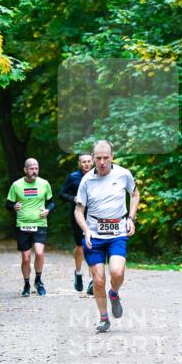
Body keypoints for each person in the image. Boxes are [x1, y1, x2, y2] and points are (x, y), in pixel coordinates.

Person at [74, 140, 139, 333]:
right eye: (98, 158)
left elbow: (135, 194)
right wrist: (86, 230)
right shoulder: (86, 180)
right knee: (99, 279)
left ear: (112, 157)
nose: (102, 162)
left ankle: (114, 293)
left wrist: (131, 218)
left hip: (118, 232)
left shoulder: (123, 174)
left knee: (117, 272)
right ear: (93, 158)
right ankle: (103, 318)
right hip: (94, 235)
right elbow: (78, 211)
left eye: (106, 158)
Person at [6, 158, 54, 297]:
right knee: (26, 258)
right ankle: (26, 283)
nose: (34, 171)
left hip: (40, 223)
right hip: (23, 224)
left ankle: (38, 280)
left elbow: (51, 203)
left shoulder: (44, 184)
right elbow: (8, 204)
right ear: (25, 170)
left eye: (36, 168)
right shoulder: (16, 185)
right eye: (32, 168)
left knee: (39, 253)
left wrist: (48, 210)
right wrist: (13, 207)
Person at [59, 152, 94, 293]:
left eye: (88, 161)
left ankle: (92, 280)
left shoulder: (98, 176)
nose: (86, 164)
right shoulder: (73, 177)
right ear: (79, 164)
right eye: (83, 161)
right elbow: (61, 193)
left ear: (92, 162)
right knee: (80, 246)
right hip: (78, 215)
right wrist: (73, 198)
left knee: (93, 245)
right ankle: (78, 273)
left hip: (94, 216)